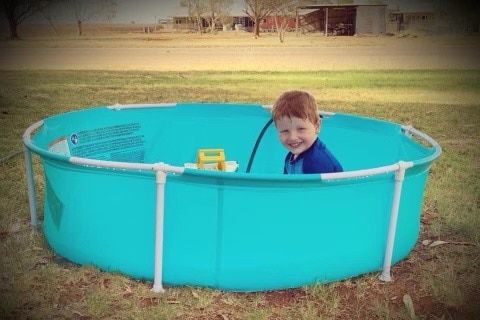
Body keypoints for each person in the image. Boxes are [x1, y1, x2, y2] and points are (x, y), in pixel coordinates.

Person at [271, 90, 343, 174]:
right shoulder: (291, 156)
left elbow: (316, 187)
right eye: (285, 131)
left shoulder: (317, 161)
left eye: (301, 129)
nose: (293, 137)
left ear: (316, 126)